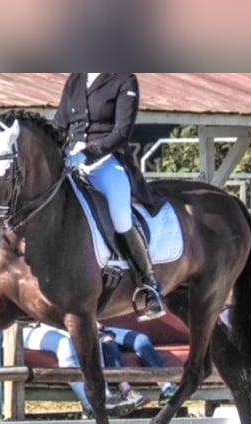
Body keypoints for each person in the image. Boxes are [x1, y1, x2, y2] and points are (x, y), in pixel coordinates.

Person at [52, 73, 166, 321]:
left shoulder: (124, 80)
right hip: (70, 158)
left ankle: (149, 286)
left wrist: (87, 154)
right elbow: (60, 124)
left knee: (120, 215)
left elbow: (121, 132)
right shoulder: (75, 79)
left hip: (106, 161)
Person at [21, 322, 141, 418]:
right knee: (65, 344)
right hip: (22, 327)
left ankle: (106, 397)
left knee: (90, 337)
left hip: (50, 324)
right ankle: (90, 407)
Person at [98, 323, 180, 406]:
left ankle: (166, 387)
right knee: (108, 344)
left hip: (104, 329)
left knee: (141, 340)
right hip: (89, 332)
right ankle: (128, 392)